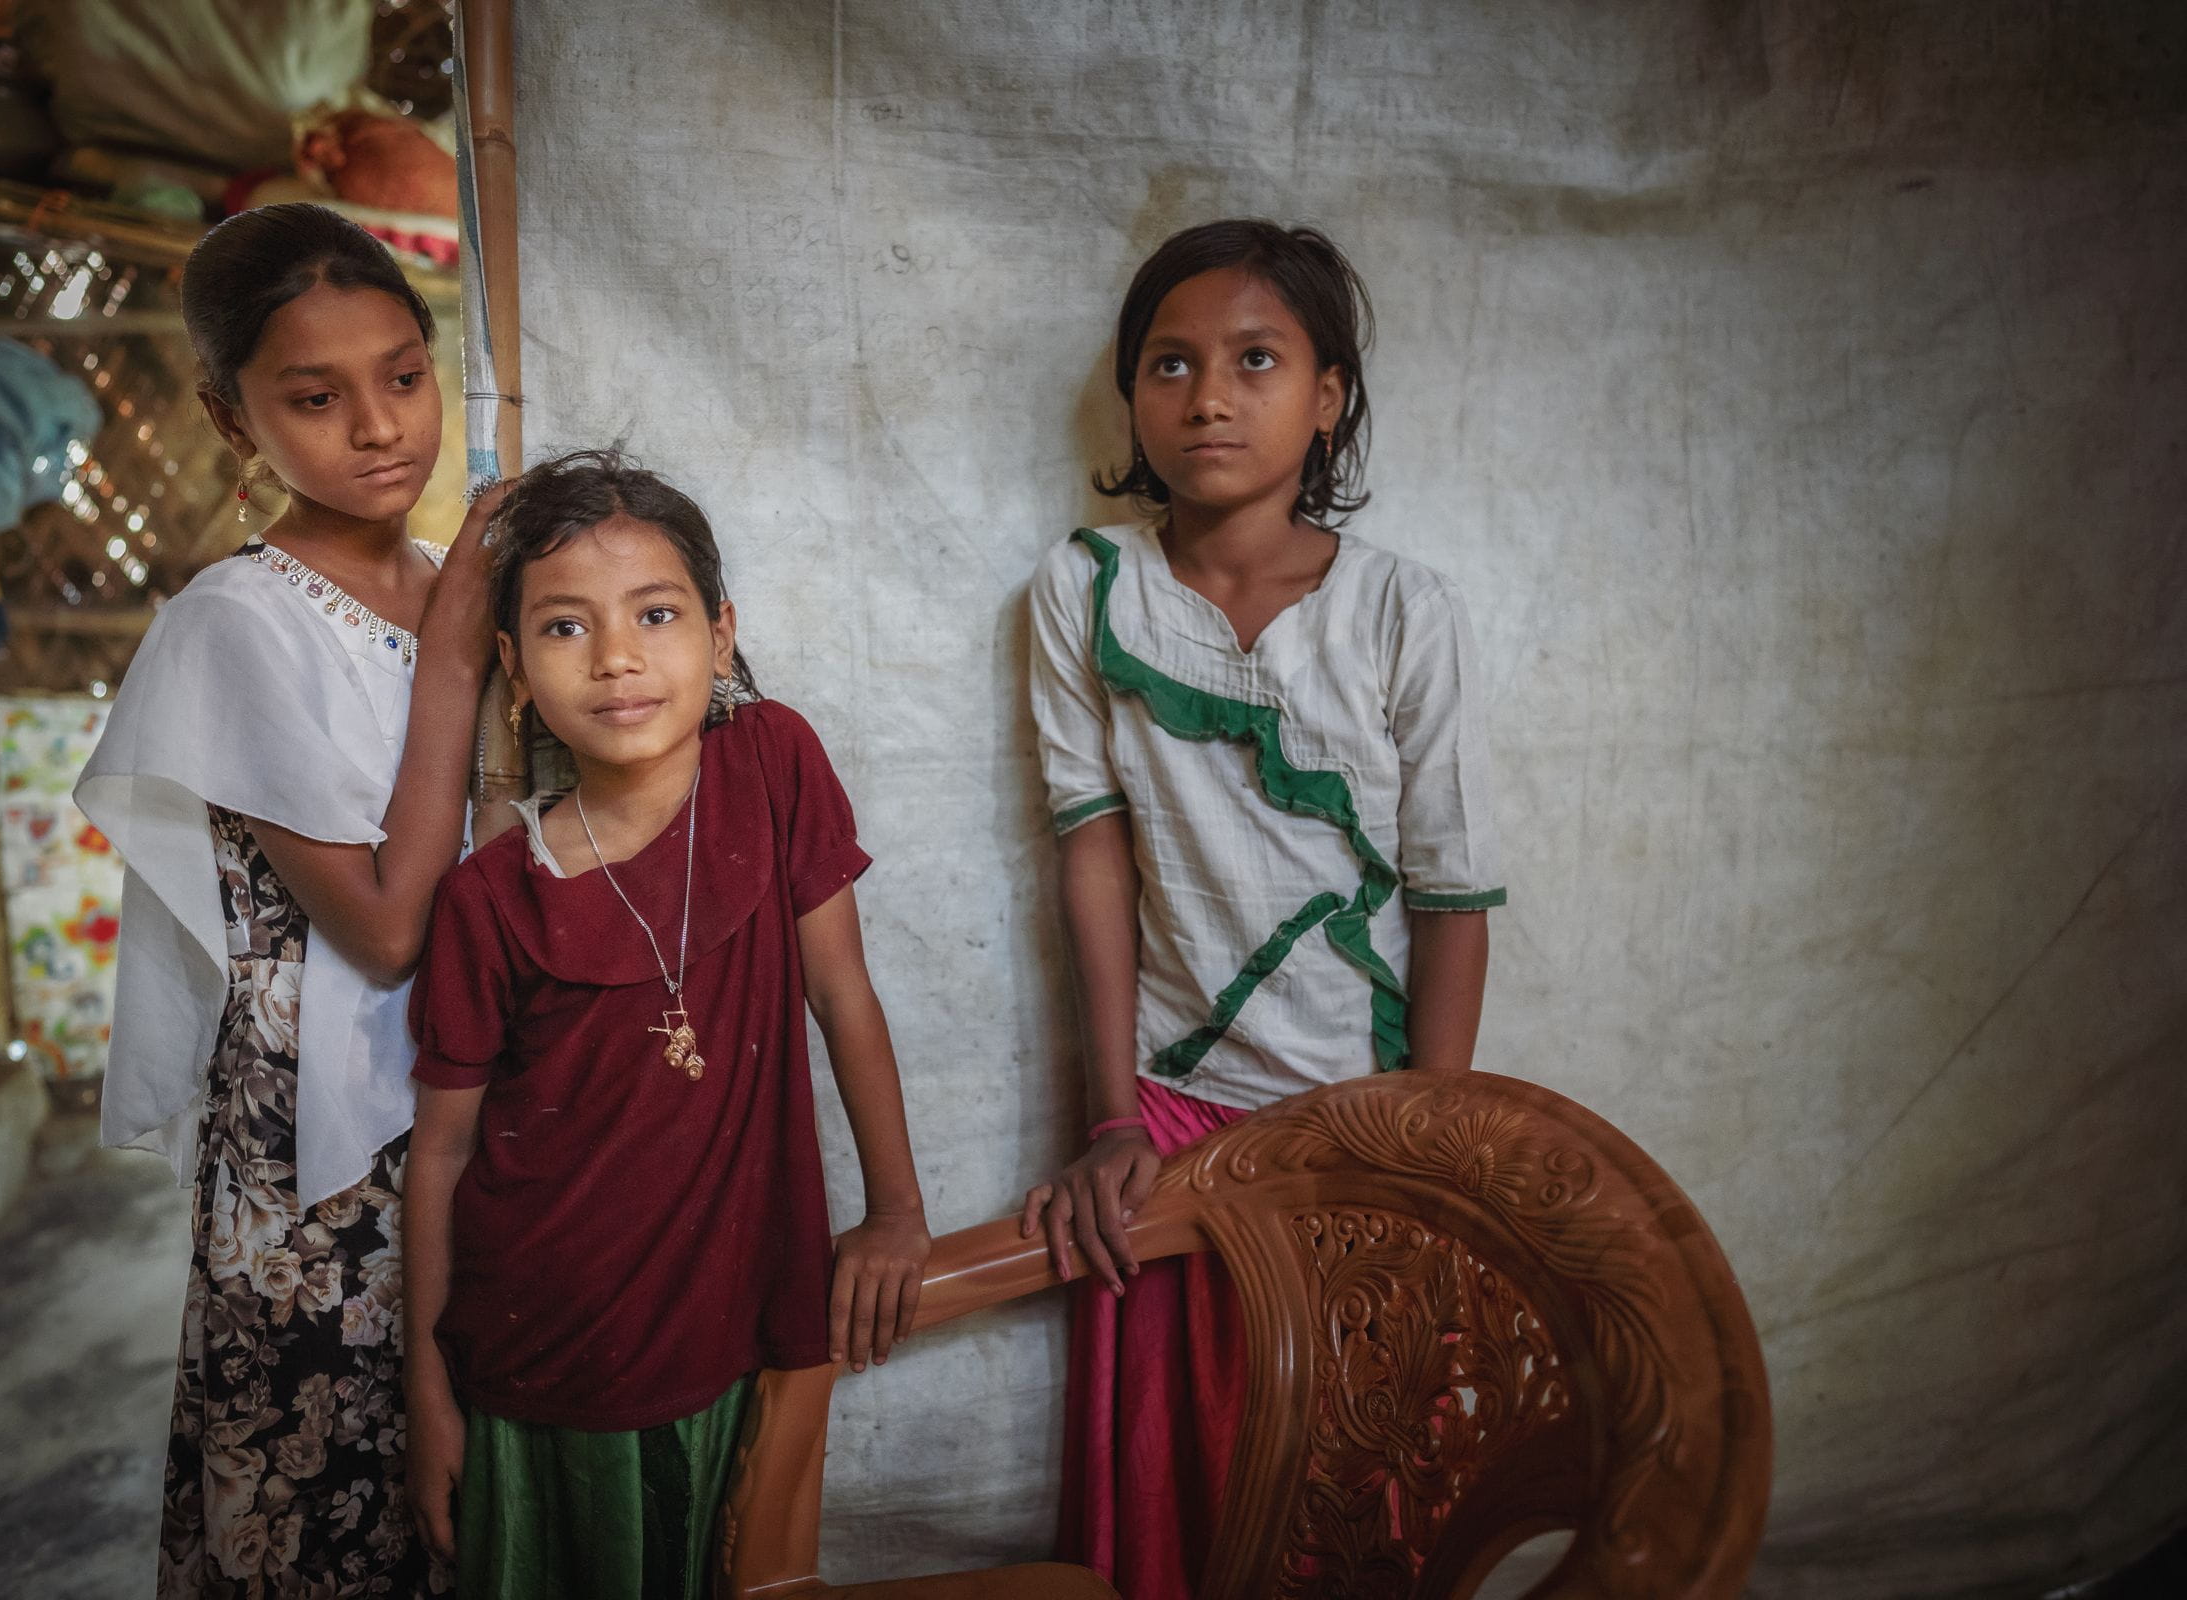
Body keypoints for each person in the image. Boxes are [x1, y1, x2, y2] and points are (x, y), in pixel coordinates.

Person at [1019, 218, 1507, 1596]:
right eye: (1167, 364)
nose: (1208, 396)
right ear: (1130, 397)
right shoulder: (1082, 588)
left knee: (1347, 1470)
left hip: (1362, 1117)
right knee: (1182, 1476)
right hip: (1169, 1107)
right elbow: (1093, 853)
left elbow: (1450, 889)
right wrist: (1113, 1118)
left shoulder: (1404, 610)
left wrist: (1422, 1144)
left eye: (1253, 360)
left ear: (1326, 396)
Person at [399, 449, 932, 1600]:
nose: (617, 656)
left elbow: (842, 994)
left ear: (720, 633)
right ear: (513, 666)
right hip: (538, 1362)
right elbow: (440, 1156)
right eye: (562, 628)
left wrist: (894, 1208)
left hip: (731, 1331)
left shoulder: (774, 765)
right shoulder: (491, 900)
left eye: (655, 612)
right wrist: (428, 1394)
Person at [76, 202, 505, 1599]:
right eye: (312, 399)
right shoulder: (237, 622)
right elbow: (383, 924)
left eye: (400, 374)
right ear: (224, 411)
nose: (377, 427)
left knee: (459, 1495)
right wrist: (454, 660)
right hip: (319, 1165)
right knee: (328, 1502)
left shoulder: (449, 586)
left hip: (455, 1102)